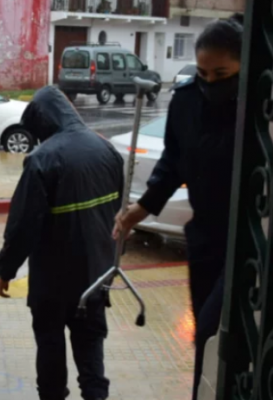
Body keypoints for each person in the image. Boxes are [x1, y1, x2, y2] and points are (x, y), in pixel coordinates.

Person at [113, 14, 243, 400]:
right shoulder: (186, 101)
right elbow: (172, 164)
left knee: (212, 328)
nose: (211, 84)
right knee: (204, 340)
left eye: (222, 74)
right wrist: (140, 209)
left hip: (246, 239)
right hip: (203, 236)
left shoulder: (257, 108)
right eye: (203, 74)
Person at [0, 86, 124, 400]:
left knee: (51, 348)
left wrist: (5, 270)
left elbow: (24, 224)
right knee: (91, 350)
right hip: (95, 275)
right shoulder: (107, 150)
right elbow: (118, 218)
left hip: (53, 282)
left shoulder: (43, 158)